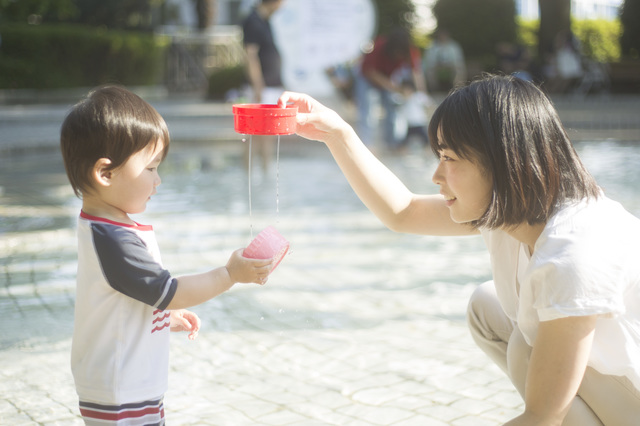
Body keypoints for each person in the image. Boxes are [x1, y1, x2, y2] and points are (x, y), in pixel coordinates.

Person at [279, 74, 640, 425]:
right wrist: (338, 134)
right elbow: (404, 212)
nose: (436, 175)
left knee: (527, 351)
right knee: (489, 307)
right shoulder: (514, 207)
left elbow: (542, 418)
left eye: (449, 159)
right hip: (611, 378)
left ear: (503, 163)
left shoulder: (573, 253)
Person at [60, 85, 274, 424]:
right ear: (105, 173)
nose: (158, 180)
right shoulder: (113, 238)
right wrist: (230, 274)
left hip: (123, 384)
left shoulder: (107, 227)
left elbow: (130, 297)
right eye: (150, 169)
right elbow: (169, 292)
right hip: (121, 392)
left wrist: (157, 319)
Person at [354, 27, 425, 150]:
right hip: (366, 78)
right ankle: (366, 145)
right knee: (367, 110)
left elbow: (416, 72)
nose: (399, 55)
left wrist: (421, 93)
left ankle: (391, 144)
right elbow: (371, 72)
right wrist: (394, 87)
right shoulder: (379, 46)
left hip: (387, 79)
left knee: (392, 110)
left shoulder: (410, 51)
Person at [242, 0, 284, 174]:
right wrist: (258, 86)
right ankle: (252, 173)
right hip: (262, 87)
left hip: (270, 86)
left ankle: (266, 171)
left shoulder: (264, 19)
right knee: (256, 134)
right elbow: (250, 56)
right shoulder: (253, 20)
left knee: (268, 134)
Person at [396, 77, 433, 153]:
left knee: (425, 139)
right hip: (410, 124)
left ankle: (428, 150)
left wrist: (429, 112)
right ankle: (402, 150)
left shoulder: (418, 96)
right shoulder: (402, 99)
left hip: (419, 122)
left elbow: (428, 104)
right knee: (406, 139)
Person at [423, 29, 466, 93]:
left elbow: (458, 60)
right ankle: (434, 90)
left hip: (451, 67)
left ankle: (458, 90)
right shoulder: (432, 47)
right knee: (429, 72)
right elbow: (429, 61)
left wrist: (450, 65)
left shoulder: (454, 46)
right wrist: (437, 66)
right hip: (436, 68)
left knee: (459, 71)